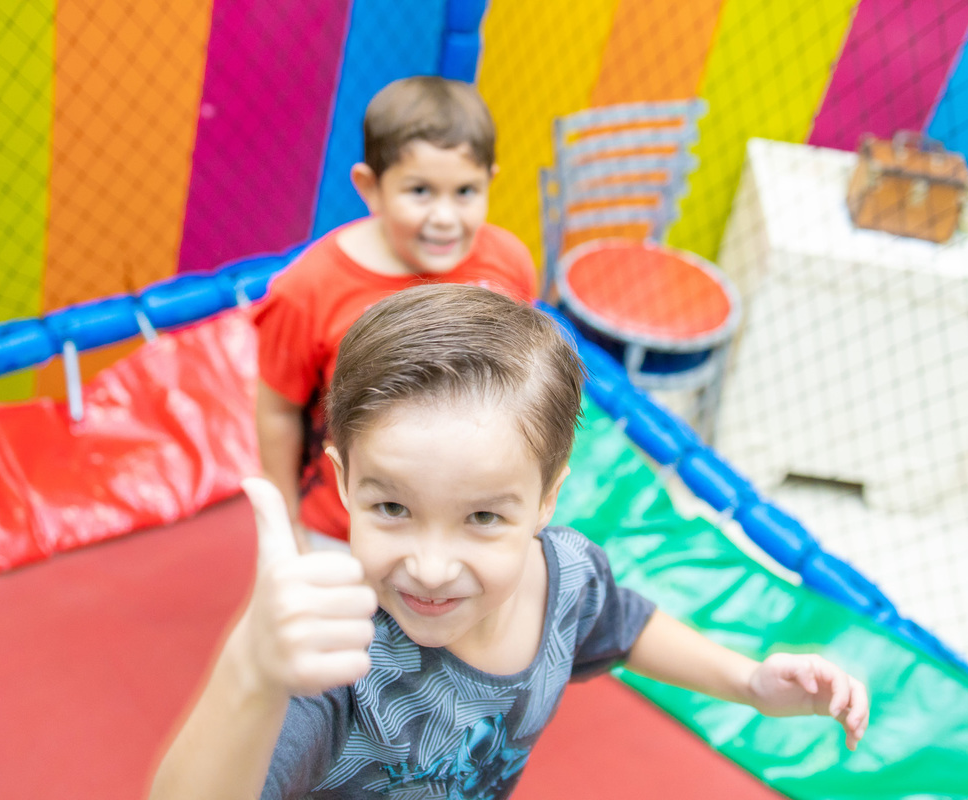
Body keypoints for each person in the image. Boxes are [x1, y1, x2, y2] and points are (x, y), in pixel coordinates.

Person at [149, 285, 870, 800]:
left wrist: (748, 683)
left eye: (483, 518)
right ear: (343, 484)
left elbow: (621, 623)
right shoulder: (340, 659)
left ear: (547, 498)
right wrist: (249, 673)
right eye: (393, 507)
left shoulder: (567, 575)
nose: (431, 568)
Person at [254, 76, 536, 552]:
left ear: (490, 182)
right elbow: (277, 411)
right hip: (349, 524)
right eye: (420, 191)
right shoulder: (308, 290)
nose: (445, 217)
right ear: (371, 187)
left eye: (465, 191)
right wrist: (287, 526)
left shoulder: (508, 264)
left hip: (471, 515)